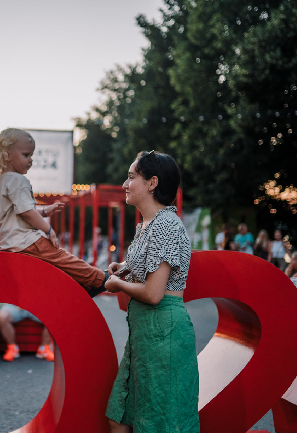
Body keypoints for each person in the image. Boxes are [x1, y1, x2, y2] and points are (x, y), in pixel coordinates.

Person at [103, 150, 198, 433]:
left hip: (163, 333)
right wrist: (125, 267)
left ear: (152, 183)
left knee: (158, 423)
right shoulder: (149, 223)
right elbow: (152, 268)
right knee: (119, 417)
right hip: (147, 335)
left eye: (131, 177)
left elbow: (155, 293)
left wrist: (118, 284)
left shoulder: (165, 225)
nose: (125, 184)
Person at [0, 128, 108, 297]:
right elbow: (26, 212)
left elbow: (18, 212)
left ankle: (83, 283)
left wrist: (44, 211)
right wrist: (48, 229)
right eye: (25, 155)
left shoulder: (4, 179)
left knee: (56, 262)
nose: (30, 160)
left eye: (31, 155)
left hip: (10, 243)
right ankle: (98, 279)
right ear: (7, 155)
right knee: (60, 257)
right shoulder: (18, 179)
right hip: (25, 240)